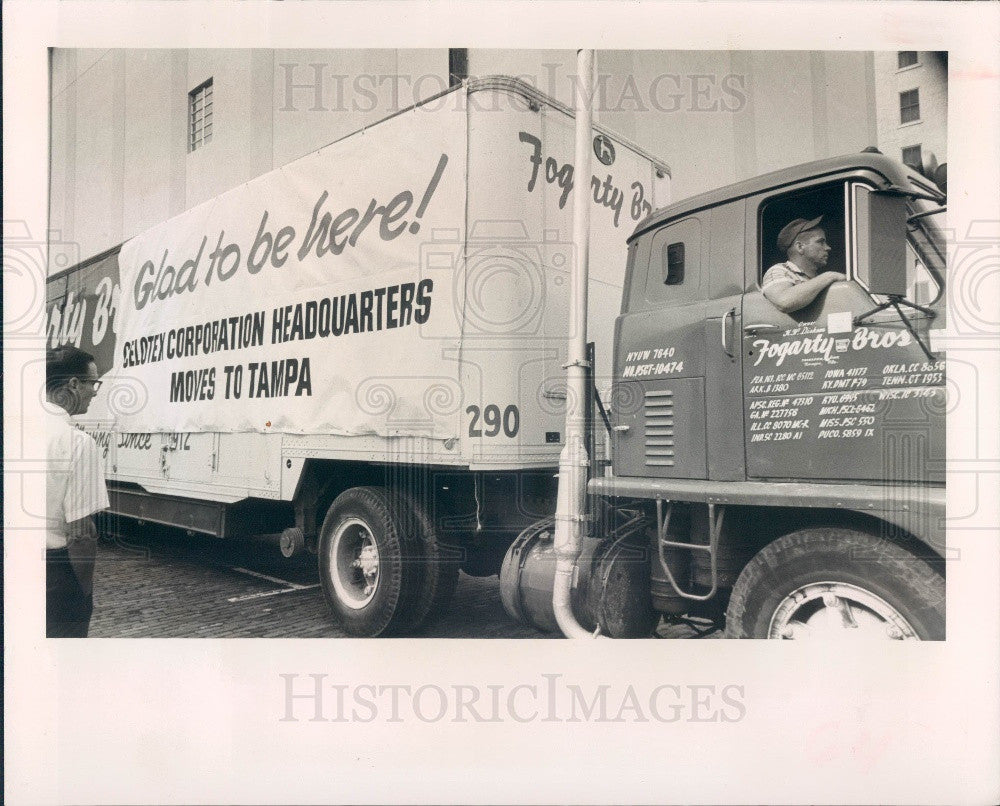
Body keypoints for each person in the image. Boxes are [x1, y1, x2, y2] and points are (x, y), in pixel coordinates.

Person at [45, 346, 109, 637]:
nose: (95, 392)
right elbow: (81, 533)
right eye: (93, 383)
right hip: (55, 578)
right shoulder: (77, 443)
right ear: (73, 384)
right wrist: (83, 593)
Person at [762, 216, 844, 313]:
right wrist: (829, 276)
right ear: (800, 247)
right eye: (821, 242)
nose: (828, 247)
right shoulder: (778, 271)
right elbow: (784, 301)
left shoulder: (817, 279)